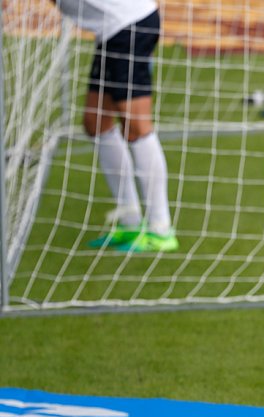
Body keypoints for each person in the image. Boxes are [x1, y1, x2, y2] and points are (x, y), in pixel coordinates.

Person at [55, 0, 178, 252]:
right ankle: (131, 223)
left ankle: (161, 229)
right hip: (112, 30)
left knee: (136, 126)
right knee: (96, 122)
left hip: (129, 26)